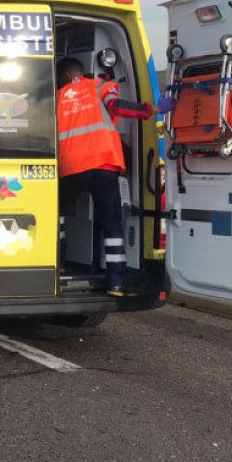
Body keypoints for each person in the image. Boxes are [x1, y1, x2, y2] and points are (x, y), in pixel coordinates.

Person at [56, 57, 152, 297]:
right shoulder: (100, 86)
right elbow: (118, 106)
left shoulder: (58, 96)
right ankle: (116, 282)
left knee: (57, 217)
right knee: (112, 225)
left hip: (71, 167)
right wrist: (152, 110)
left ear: (65, 76)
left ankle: (58, 265)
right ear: (79, 73)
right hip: (103, 165)